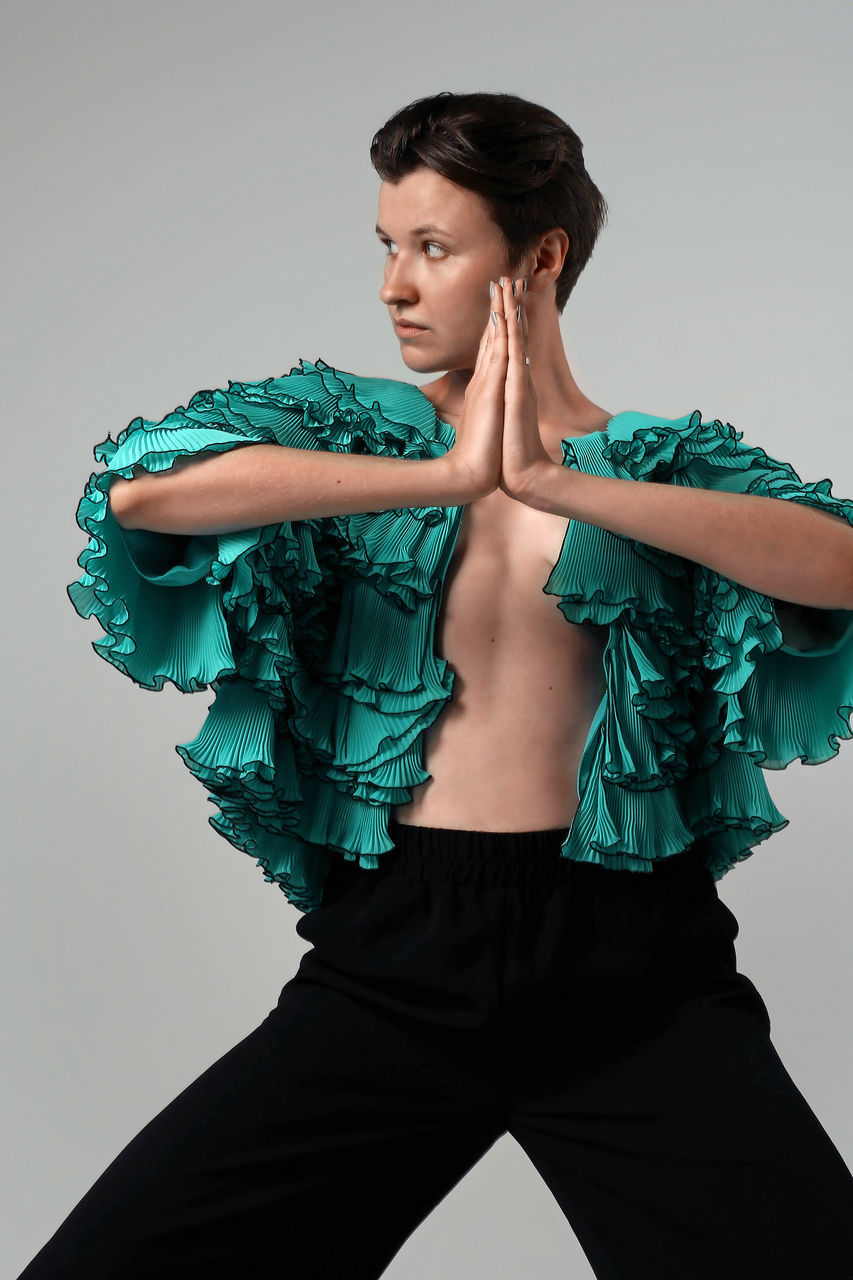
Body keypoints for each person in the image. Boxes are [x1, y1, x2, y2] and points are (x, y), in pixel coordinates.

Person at [19, 90, 853, 1279]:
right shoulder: (351, 439)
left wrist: (556, 484)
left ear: (540, 257)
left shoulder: (663, 466)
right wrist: (452, 475)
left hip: (636, 969)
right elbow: (146, 495)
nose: (392, 286)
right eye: (386, 247)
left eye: (433, 247)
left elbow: (839, 562)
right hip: (397, 962)